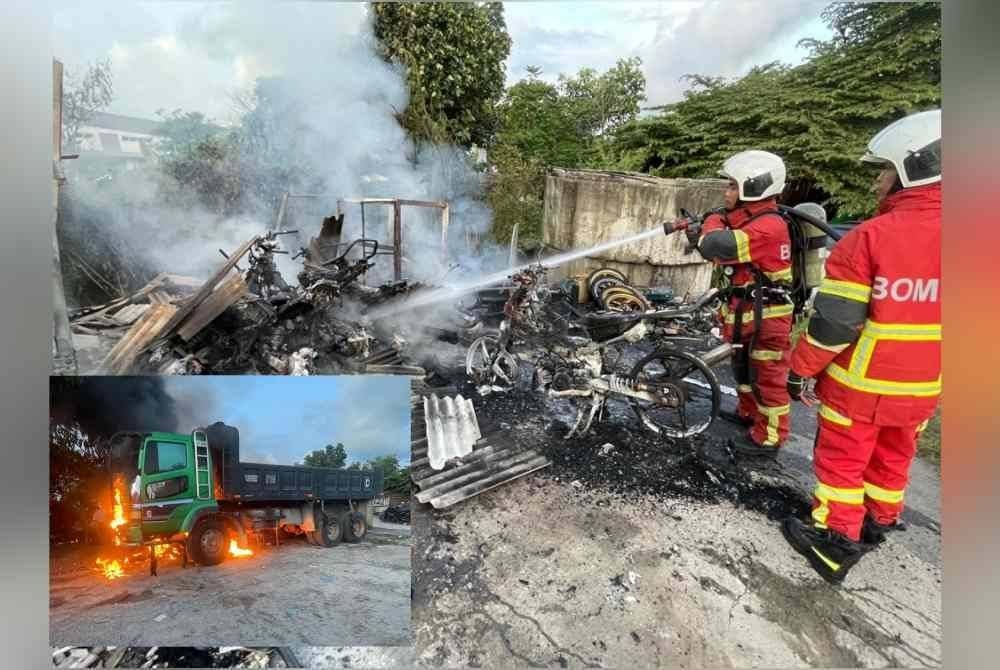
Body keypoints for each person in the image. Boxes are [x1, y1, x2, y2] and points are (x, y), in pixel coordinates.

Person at [782, 109, 942, 584]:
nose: (877, 182)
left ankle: (835, 544)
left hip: (861, 386)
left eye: (885, 170)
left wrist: (801, 368)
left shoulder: (871, 237)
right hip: (923, 389)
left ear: (914, 169)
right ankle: (877, 523)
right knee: (893, 456)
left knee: (842, 463)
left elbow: (834, 324)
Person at [666, 150, 794, 458]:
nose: (726, 192)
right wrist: (710, 224)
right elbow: (721, 240)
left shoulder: (769, 226)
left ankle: (769, 439)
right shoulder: (748, 218)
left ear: (755, 186)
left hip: (768, 318)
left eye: (733, 186)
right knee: (743, 369)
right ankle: (748, 414)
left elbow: (716, 245)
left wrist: (709, 223)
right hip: (747, 311)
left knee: (767, 379)